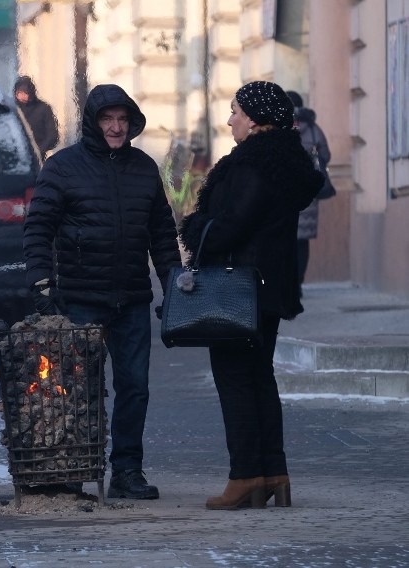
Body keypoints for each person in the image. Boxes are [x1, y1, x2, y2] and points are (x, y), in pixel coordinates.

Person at [23, 84, 182, 500]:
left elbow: (162, 233)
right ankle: (75, 470)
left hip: (130, 297)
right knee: (80, 390)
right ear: (93, 123)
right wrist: (42, 282)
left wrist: (174, 286)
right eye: (107, 119)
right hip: (79, 297)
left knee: (135, 387)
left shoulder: (144, 167)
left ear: (131, 123)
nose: (115, 127)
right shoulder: (63, 168)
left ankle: (127, 471)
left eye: (122, 120)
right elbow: (38, 227)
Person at [178, 81, 323, 510]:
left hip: (238, 286)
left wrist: (194, 227)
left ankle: (245, 477)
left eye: (235, 111)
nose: (230, 120)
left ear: (256, 119)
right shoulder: (284, 162)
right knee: (259, 376)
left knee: (235, 378)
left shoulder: (251, 165)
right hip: (270, 286)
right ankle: (273, 473)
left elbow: (231, 225)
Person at [286, 90, 332, 295]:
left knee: (284, 238)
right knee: (301, 240)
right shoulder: (313, 128)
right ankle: (299, 282)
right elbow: (326, 155)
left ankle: (288, 282)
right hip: (308, 193)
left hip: (283, 192)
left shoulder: (282, 125)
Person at [14, 76, 59, 159]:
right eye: (19, 93)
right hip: (15, 157)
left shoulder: (43, 109)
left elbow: (52, 135)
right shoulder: (12, 109)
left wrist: (38, 151)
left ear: (31, 93)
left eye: (25, 93)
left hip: (37, 157)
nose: (22, 96)